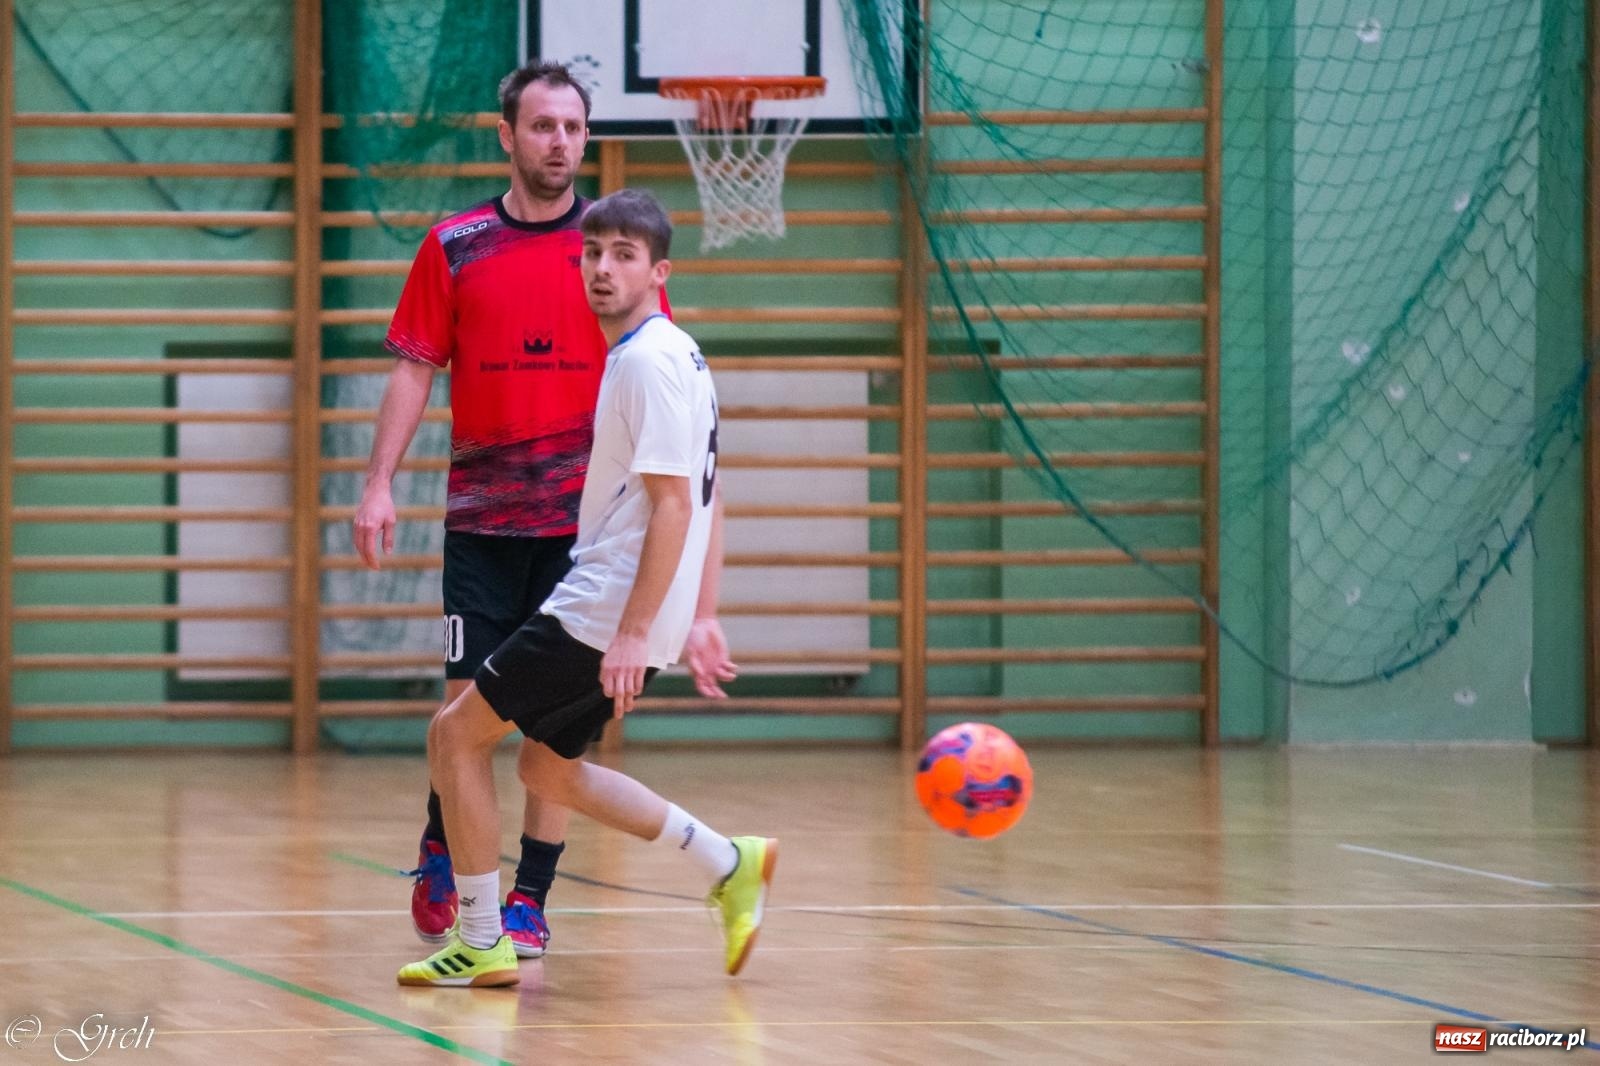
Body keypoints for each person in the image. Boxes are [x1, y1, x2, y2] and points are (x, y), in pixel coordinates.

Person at [397, 188, 771, 989]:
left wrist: (637, 631)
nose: (601, 269)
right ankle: (729, 862)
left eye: (623, 256)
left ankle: (483, 935)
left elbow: (678, 504)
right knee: (548, 770)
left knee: (453, 737)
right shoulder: (669, 352)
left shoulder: (646, 360)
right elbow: (702, 494)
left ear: (657, 271)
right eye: (592, 253)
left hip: (603, 610)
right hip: (627, 607)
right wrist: (694, 616)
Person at [354, 61, 664, 961]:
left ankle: (530, 899)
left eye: (572, 127)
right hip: (482, 528)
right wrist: (379, 481)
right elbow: (415, 365)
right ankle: (443, 843)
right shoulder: (455, 245)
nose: (559, 142)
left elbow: (652, 369)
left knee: (553, 731)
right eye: (542, 126)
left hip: (584, 534)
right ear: (508, 135)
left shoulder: (611, 252)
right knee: (466, 711)